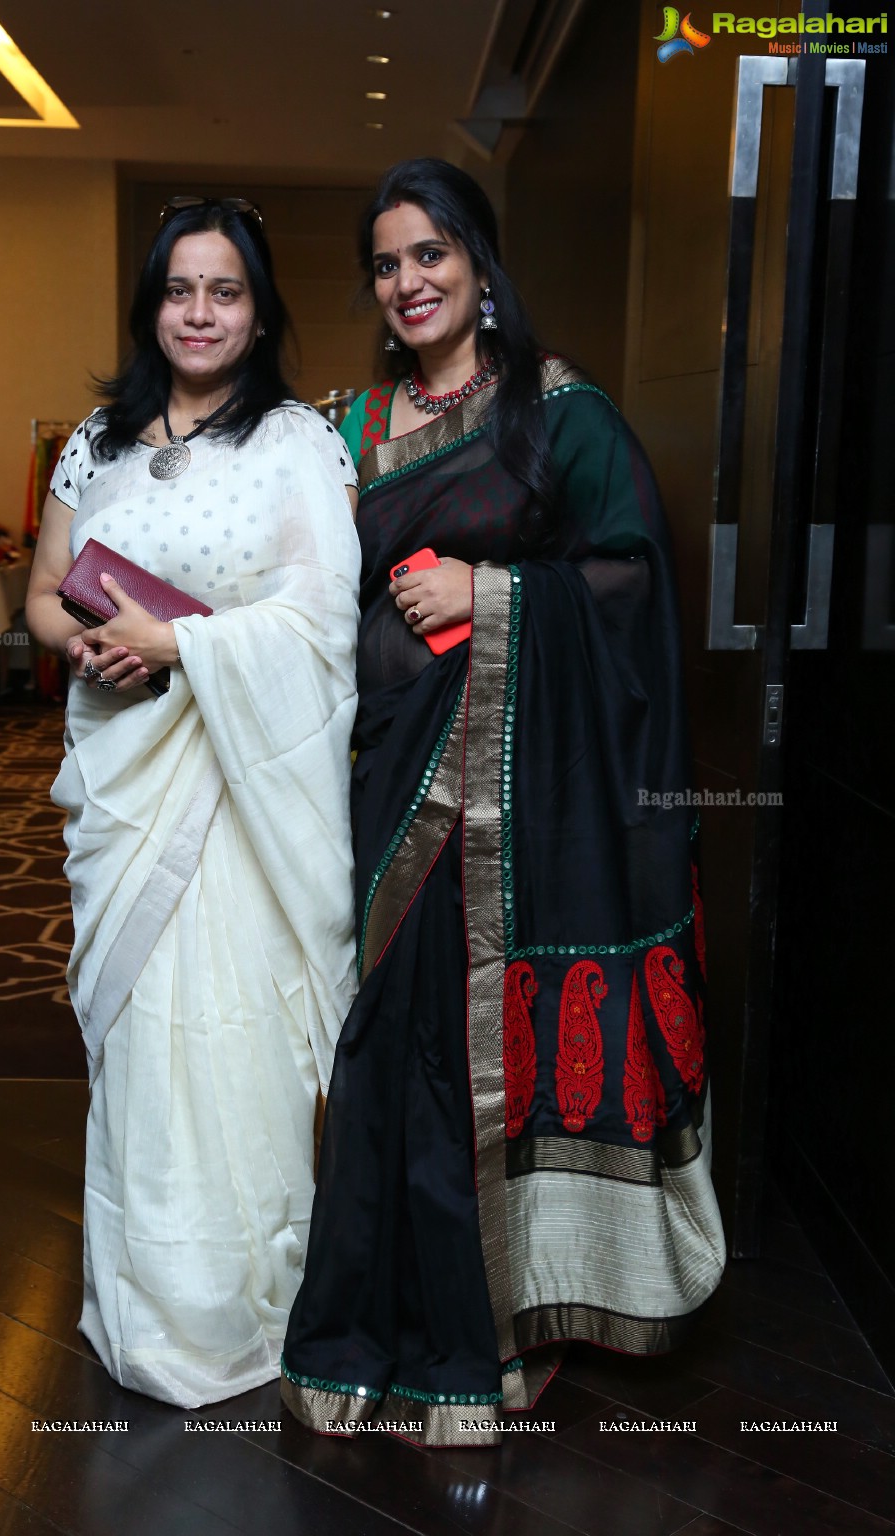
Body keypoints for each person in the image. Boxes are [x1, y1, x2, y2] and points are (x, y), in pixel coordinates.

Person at [280, 159, 726, 1447]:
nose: (409, 281)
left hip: (519, 810)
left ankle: (480, 1343)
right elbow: (300, 587)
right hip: (383, 778)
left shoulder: (559, 410)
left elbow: (635, 582)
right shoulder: (350, 429)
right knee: (385, 1051)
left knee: (460, 1050)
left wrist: (499, 596)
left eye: (432, 255)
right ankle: (373, 1336)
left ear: (478, 261)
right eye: (386, 262)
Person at [25, 197, 361, 1408]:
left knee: (237, 1050)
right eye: (180, 290)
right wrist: (93, 645)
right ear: (151, 305)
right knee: (142, 1054)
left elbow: (323, 620)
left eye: (224, 292)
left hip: (240, 790)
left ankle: (237, 1312)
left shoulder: (298, 444)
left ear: (259, 310)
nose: (200, 312)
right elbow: (47, 592)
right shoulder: (95, 441)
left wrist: (182, 648)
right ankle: (145, 1301)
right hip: (126, 774)